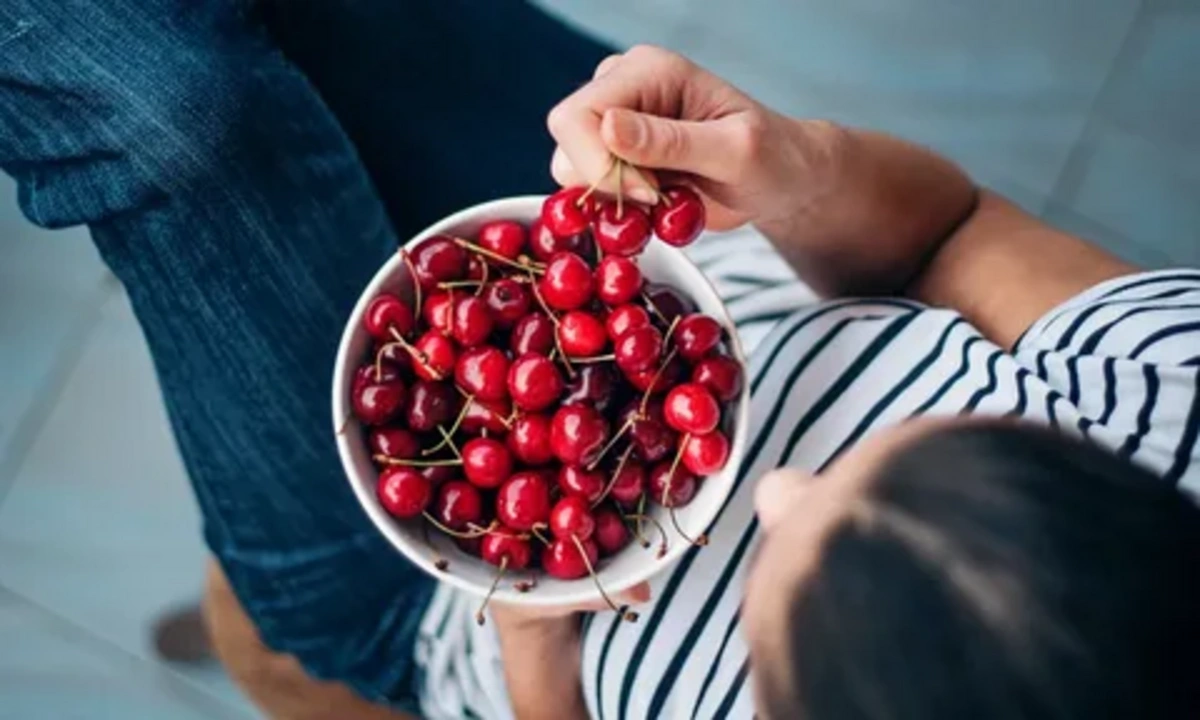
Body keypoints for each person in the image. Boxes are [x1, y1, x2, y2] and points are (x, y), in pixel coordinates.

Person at [4, 1, 1197, 717]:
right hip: (637, 265)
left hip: (434, 599)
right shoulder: (1174, 396)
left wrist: (534, 619)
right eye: (906, 458)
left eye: (792, 585)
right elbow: (957, 234)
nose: (772, 481)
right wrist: (795, 168)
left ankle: (254, 633)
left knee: (159, 108)